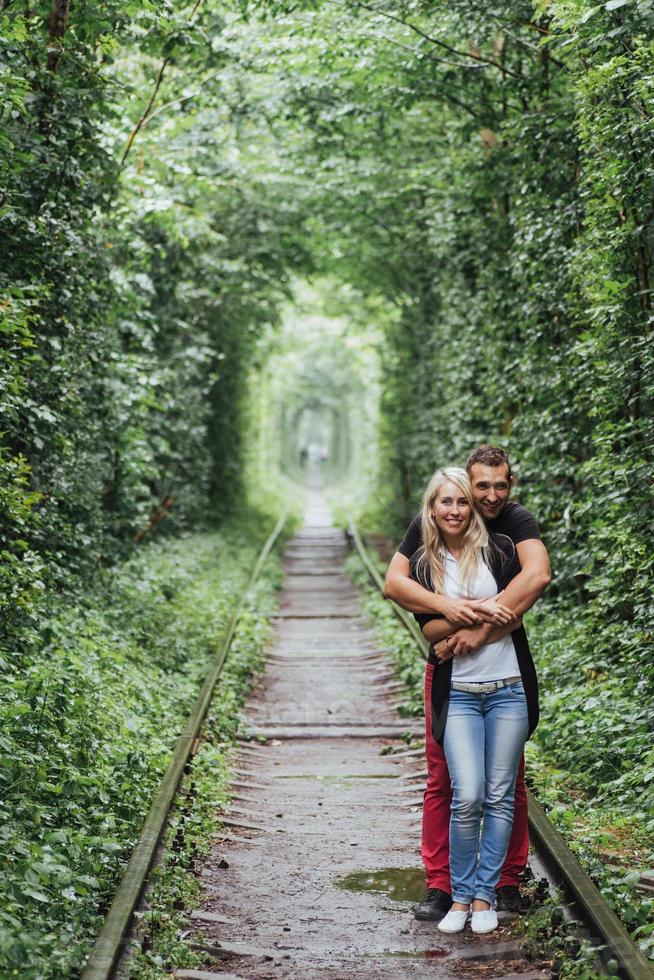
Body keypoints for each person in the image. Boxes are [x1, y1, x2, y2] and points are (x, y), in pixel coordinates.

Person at [384, 445, 550, 921]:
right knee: (445, 780)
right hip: (451, 677)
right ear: (465, 485)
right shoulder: (437, 517)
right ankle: (441, 883)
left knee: (508, 784)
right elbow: (396, 585)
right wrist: (450, 610)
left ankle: (504, 882)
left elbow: (536, 576)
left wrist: (475, 632)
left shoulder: (511, 527)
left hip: (502, 670)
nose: (490, 496)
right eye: (482, 486)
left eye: (500, 485)